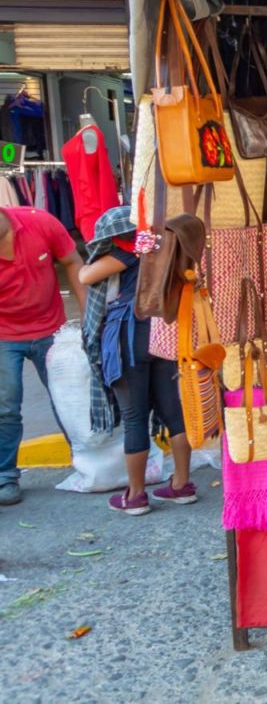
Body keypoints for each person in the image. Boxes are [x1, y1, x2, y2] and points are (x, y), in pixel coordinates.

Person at [78, 207, 193, 515]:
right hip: (163, 331)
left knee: (134, 417)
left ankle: (136, 495)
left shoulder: (127, 251)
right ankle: (181, 485)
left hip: (128, 336)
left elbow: (84, 275)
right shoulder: (163, 247)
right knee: (174, 411)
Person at [0, 206, 85, 505]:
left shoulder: (38, 222)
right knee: (5, 406)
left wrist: (89, 317)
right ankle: (5, 477)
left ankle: (87, 461)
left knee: (69, 400)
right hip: (4, 335)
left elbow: (73, 261)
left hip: (51, 329)